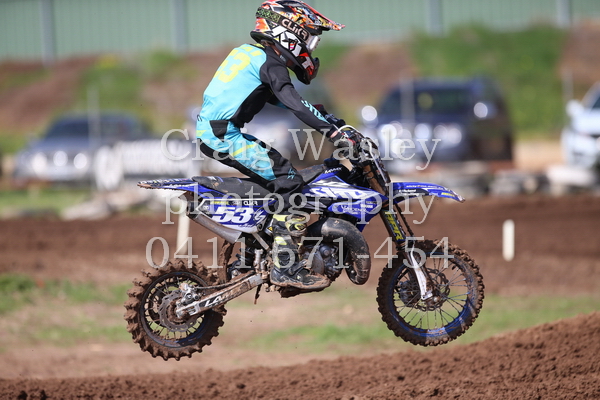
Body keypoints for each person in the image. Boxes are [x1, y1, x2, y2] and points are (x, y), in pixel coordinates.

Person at [196, 0, 350, 290]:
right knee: (289, 181)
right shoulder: (271, 63)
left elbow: (282, 99)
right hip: (223, 135)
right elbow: (295, 104)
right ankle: (286, 267)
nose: (310, 48)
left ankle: (252, 254)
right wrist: (334, 134)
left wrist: (326, 118)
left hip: (216, 133)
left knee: (275, 182)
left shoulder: (250, 54)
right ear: (290, 32)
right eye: (310, 39)